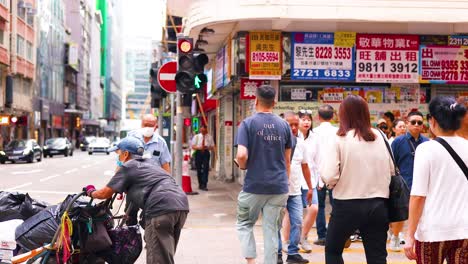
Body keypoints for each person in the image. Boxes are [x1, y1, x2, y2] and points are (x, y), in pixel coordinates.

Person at [84, 137, 189, 264]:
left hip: (160, 207)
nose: (118, 158)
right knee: (165, 255)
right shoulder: (151, 164)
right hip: (181, 205)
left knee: (158, 259)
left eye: (119, 154)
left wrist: (90, 192)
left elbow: (104, 193)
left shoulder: (129, 166)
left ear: (126, 154)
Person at [321, 95, 394, 264]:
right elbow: (391, 170)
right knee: (377, 256)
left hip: (347, 204)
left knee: (333, 250)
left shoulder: (339, 137)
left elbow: (329, 175)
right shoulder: (380, 136)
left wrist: (331, 184)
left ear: (344, 115)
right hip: (378, 204)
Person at [404, 96, 468, 264]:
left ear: (432, 121)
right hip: (464, 229)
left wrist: (409, 236)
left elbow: (418, 195)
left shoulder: (426, 149)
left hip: (433, 231)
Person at [235, 84, 292, 264]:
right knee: (271, 230)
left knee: (245, 224)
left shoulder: (247, 124)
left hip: (254, 186)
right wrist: (286, 184)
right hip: (279, 187)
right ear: (274, 102)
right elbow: (287, 160)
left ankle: (251, 262)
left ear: (256, 100)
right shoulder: (284, 125)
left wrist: (243, 166)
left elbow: (241, 155)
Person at [390, 111, 429, 251]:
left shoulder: (427, 142)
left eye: (420, 122)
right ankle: (395, 236)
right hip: (403, 184)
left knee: (421, 213)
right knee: (401, 213)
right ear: (407, 124)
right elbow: (391, 162)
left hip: (423, 184)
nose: (417, 125)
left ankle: (417, 239)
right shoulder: (398, 142)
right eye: (413, 122)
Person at [278, 111, 312, 264]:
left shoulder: (301, 143)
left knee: (297, 221)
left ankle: (292, 253)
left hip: (296, 191)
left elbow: (305, 166)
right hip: (278, 191)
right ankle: (277, 254)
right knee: (275, 224)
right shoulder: (276, 142)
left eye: (295, 125)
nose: (293, 128)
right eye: (289, 124)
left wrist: (310, 187)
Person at [312, 104, 338, 246]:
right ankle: (335, 235)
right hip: (335, 174)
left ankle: (321, 235)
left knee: (319, 206)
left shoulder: (313, 132)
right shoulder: (339, 132)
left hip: (318, 175)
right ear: (333, 116)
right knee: (337, 206)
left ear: (318, 117)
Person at [297, 110, 319, 253]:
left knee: (314, 209)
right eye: (303, 119)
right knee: (293, 214)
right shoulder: (293, 137)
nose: (306, 122)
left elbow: (318, 160)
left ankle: (303, 237)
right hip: (294, 181)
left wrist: (320, 180)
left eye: (308, 120)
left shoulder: (315, 138)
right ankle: (287, 242)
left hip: (310, 181)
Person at [191, 124, 215, 191]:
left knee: (206, 168)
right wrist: (199, 147)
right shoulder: (197, 137)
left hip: (206, 153)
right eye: (202, 130)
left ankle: (204, 184)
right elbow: (193, 146)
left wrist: (207, 147)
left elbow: (212, 146)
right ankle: (200, 183)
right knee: (198, 168)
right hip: (198, 153)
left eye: (204, 130)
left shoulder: (209, 137)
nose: (203, 131)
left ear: (206, 130)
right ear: (200, 130)